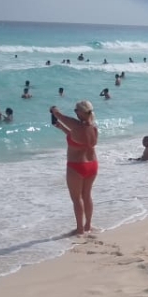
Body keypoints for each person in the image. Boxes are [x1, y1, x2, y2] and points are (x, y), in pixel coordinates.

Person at [51, 101, 99, 235]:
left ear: (83, 112)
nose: (75, 112)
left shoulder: (76, 125)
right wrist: (61, 128)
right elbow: (78, 137)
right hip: (92, 164)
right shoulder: (93, 128)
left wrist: (54, 109)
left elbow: (59, 114)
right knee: (87, 195)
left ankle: (79, 229)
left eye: (76, 110)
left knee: (76, 198)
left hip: (76, 166)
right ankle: (88, 225)